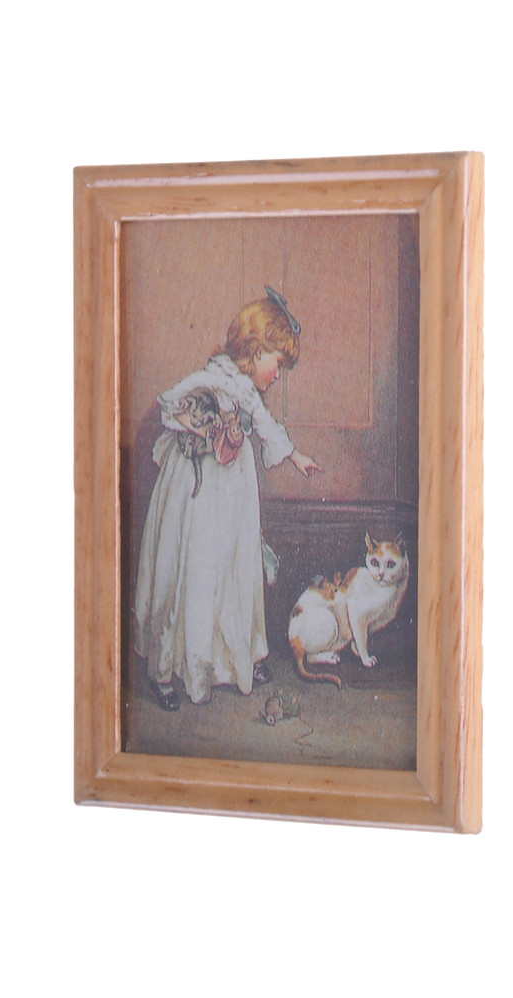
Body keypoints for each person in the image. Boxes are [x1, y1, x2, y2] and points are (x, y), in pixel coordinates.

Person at [133, 287, 322, 710]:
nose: (277, 375)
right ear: (256, 352)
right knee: (196, 567)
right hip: (199, 488)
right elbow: (170, 405)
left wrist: (295, 456)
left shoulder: (247, 391)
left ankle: (238, 657)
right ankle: (172, 669)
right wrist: (201, 428)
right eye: (277, 364)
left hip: (233, 487)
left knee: (236, 565)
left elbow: (266, 425)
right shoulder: (215, 377)